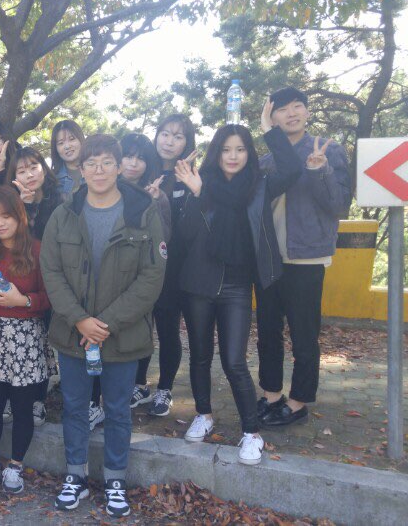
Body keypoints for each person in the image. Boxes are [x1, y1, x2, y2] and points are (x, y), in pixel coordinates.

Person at [40, 135, 165, 518]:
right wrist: (79, 319)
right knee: (75, 407)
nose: (99, 170)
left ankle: (115, 481)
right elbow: (51, 271)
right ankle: (75, 476)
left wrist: (105, 323)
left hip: (121, 334)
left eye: (107, 162)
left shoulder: (143, 213)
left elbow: (152, 277)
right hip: (74, 333)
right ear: (81, 169)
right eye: (91, 163)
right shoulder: (64, 214)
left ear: (119, 166)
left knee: (117, 410)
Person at [173, 101, 303, 464]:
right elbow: (184, 235)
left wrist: (269, 129)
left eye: (241, 149)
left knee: (234, 361)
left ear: (249, 153)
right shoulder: (201, 181)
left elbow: (292, 169)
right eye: (226, 149)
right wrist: (196, 194)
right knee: (200, 356)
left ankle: (251, 433)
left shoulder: (260, 185)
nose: (233, 156)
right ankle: (203, 414)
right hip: (198, 283)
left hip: (237, 286)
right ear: (217, 153)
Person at [256, 87, 353, 427]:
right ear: (272, 117)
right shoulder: (266, 160)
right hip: (270, 259)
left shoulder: (328, 150)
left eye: (298, 106)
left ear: (308, 112)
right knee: (268, 333)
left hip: (306, 259)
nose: (292, 113)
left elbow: (339, 205)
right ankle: (271, 395)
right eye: (283, 109)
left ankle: (298, 402)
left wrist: (320, 170)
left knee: (304, 335)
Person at [0, 186, 53, 495]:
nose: (0, 223)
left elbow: (50, 296)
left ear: (20, 216)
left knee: (22, 407)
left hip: (26, 336)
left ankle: (15, 465)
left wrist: (23, 301)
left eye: (6, 216)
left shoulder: (37, 249)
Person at [5, 146, 63, 426]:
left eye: (33, 167)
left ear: (44, 168)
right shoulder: (11, 203)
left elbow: (50, 241)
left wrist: (32, 208)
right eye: (21, 170)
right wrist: (23, 207)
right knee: (22, 339)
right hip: (24, 279)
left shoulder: (60, 199)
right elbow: (15, 242)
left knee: (44, 343)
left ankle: (38, 400)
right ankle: (13, 396)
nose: (29, 174)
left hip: (54, 279)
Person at [148, 113, 197, 418]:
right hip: (141, 264)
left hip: (174, 266)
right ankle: (138, 384)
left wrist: (185, 183)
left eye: (178, 136)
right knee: (140, 327)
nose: (169, 141)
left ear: (187, 143)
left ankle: (164, 388)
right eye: (165, 133)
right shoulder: (144, 169)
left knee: (167, 327)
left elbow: (189, 226)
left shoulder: (192, 177)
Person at [118, 133, 172, 408]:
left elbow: (166, 237)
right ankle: (125, 385)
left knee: (146, 328)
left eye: (140, 158)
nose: (133, 163)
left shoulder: (156, 194)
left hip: (146, 275)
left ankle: (147, 385)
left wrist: (154, 203)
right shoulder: (106, 188)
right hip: (115, 275)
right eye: (128, 156)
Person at [50, 120, 86, 200]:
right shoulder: (52, 180)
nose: (67, 146)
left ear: (81, 139)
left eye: (71, 139)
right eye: (61, 143)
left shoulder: (96, 169)